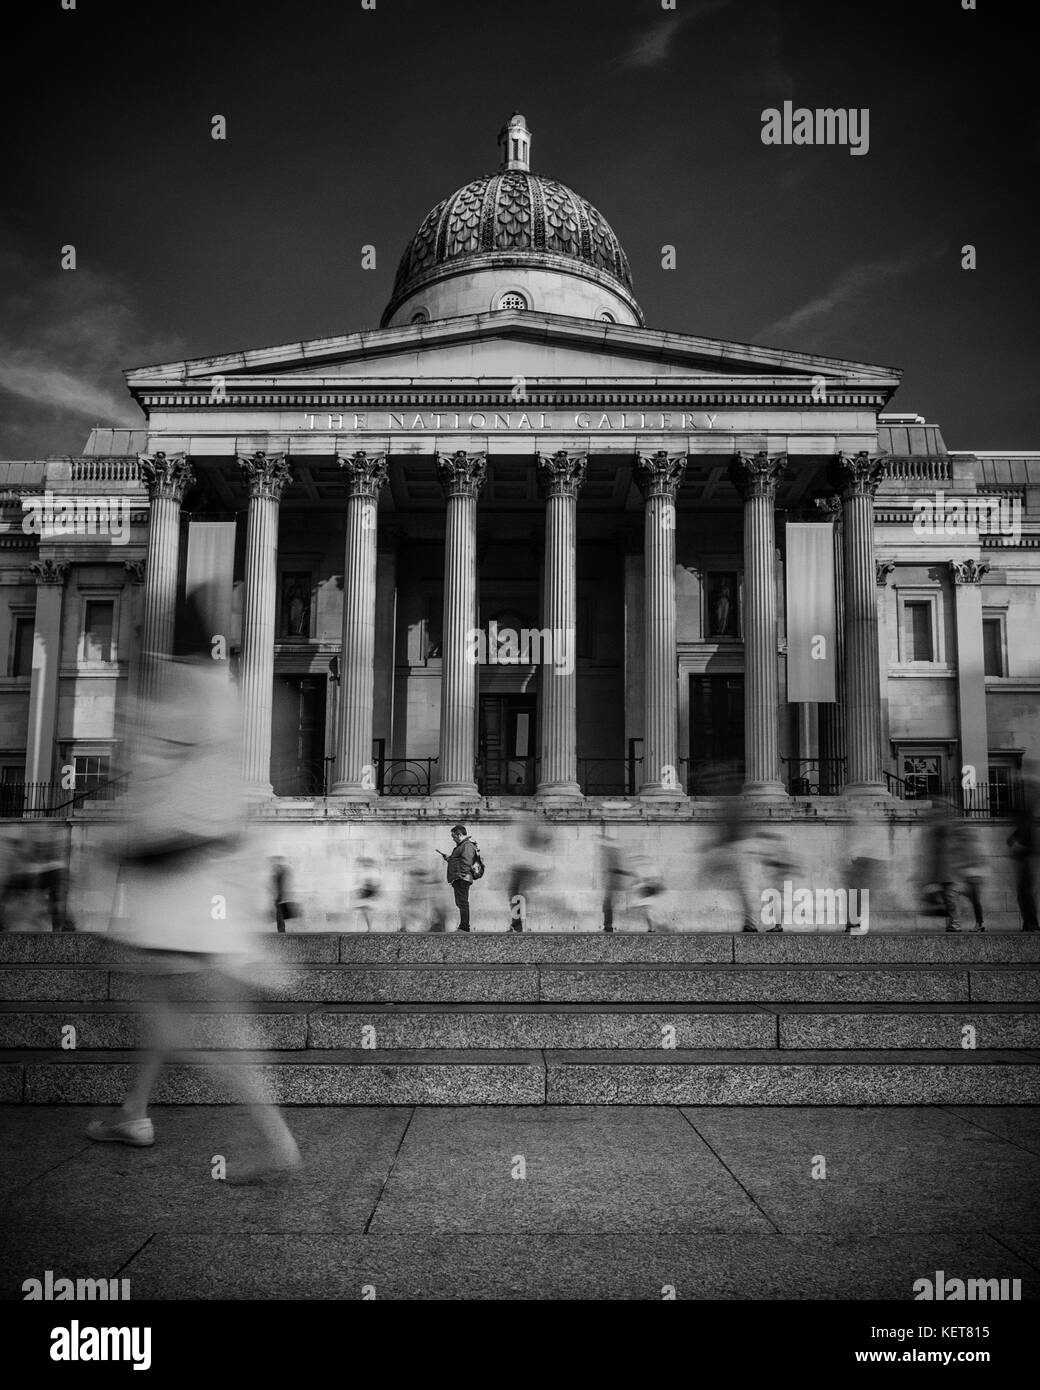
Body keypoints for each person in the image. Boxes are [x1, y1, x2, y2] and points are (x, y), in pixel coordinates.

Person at [85, 592, 299, 1183]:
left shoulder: (168, 698)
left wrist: (114, 851)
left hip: (168, 892)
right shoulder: (226, 694)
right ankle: (135, 1113)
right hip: (212, 892)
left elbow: (146, 794)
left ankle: (270, 1136)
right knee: (200, 1021)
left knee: (174, 1026)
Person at [1008, 780, 1039, 932]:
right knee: (1024, 893)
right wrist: (1013, 840)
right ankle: (1030, 923)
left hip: (1027, 858)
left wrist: (1016, 843)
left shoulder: (1027, 814)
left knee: (1025, 892)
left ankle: (1031, 923)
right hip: (1025, 857)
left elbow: (1024, 834)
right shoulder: (1026, 815)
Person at [437, 823, 477, 932]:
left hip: (462, 879)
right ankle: (463, 926)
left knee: (463, 902)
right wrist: (449, 859)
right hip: (460, 878)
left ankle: (464, 927)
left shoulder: (467, 845)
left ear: (459, 835)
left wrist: (459, 876)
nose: (453, 839)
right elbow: (460, 861)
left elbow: (467, 862)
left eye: (453, 837)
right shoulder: (462, 846)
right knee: (460, 902)